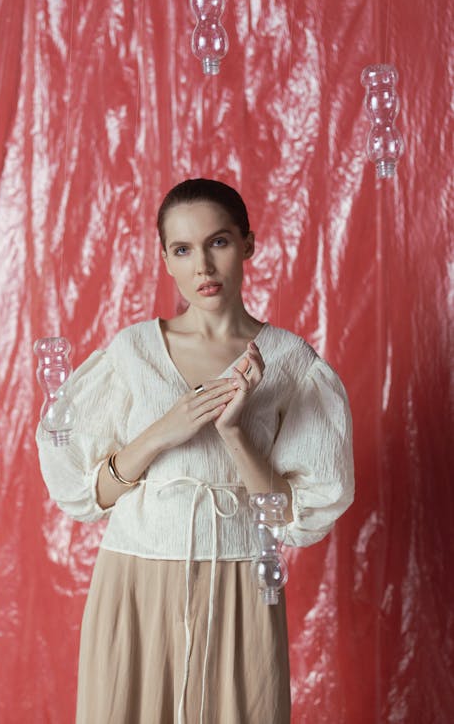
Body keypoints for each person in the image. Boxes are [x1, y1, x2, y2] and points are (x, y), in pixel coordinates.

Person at [36, 178, 354, 724]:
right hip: (134, 584)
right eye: (182, 249)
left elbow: (292, 520)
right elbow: (88, 496)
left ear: (248, 244)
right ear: (165, 259)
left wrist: (234, 432)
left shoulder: (291, 363)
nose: (202, 266)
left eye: (219, 242)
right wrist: (164, 430)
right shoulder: (131, 353)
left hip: (239, 589)